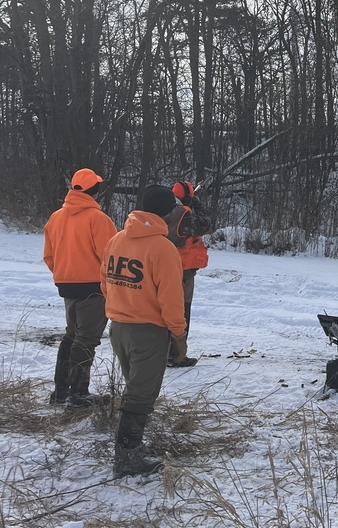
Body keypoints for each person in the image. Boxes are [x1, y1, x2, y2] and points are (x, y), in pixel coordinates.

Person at [102, 185, 188, 477]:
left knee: (135, 389)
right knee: (141, 396)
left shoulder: (116, 239)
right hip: (148, 332)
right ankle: (127, 458)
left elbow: (105, 282)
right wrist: (178, 335)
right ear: (169, 212)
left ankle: (132, 448)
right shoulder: (164, 248)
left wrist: (122, 307)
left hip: (118, 329)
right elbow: (171, 300)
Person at [42, 168, 117, 407]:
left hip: (66, 287)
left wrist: (65, 275)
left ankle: (61, 391)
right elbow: (111, 259)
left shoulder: (56, 217)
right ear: (95, 190)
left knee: (71, 336)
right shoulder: (99, 219)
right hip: (93, 289)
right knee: (85, 339)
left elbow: (49, 256)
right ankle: (78, 394)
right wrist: (111, 287)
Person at [167, 180, 212, 368]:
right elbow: (204, 223)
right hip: (182, 272)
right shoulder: (184, 215)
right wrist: (197, 204)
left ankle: (161, 352)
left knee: (163, 312)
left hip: (162, 268)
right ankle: (176, 355)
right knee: (181, 314)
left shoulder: (161, 210)